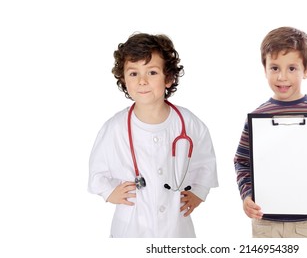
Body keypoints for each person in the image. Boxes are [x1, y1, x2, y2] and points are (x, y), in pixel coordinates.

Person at [88, 32, 218, 238]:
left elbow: (205, 161)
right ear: (123, 79)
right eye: (133, 74)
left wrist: (199, 192)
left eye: (152, 72)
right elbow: (97, 171)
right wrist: (108, 192)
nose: (142, 81)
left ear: (169, 78)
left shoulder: (188, 123)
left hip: (176, 227)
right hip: (131, 225)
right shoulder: (114, 127)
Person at [234, 26, 307, 238]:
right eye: (275, 68)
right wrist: (247, 195)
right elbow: (242, 161)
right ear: (265, 69)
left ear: (306, 70)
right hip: (266, 221)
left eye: (292, 68)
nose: (282, 77)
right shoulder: (258, 115)